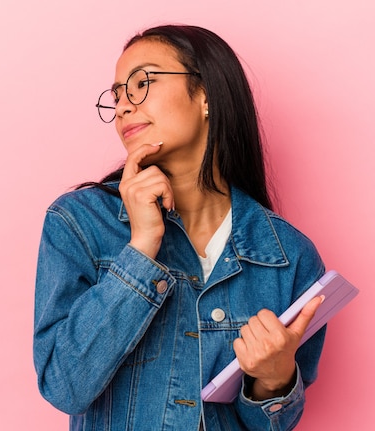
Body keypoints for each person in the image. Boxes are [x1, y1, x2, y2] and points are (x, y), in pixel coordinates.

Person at [34, 24, 326, 431]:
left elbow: (269, 425)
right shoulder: (80, 222)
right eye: (117, 94)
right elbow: (64, 387)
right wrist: (140, 249)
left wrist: (275, 379)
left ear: (205, 94)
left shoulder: (288, 256)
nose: (122, 107)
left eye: (141, 83)